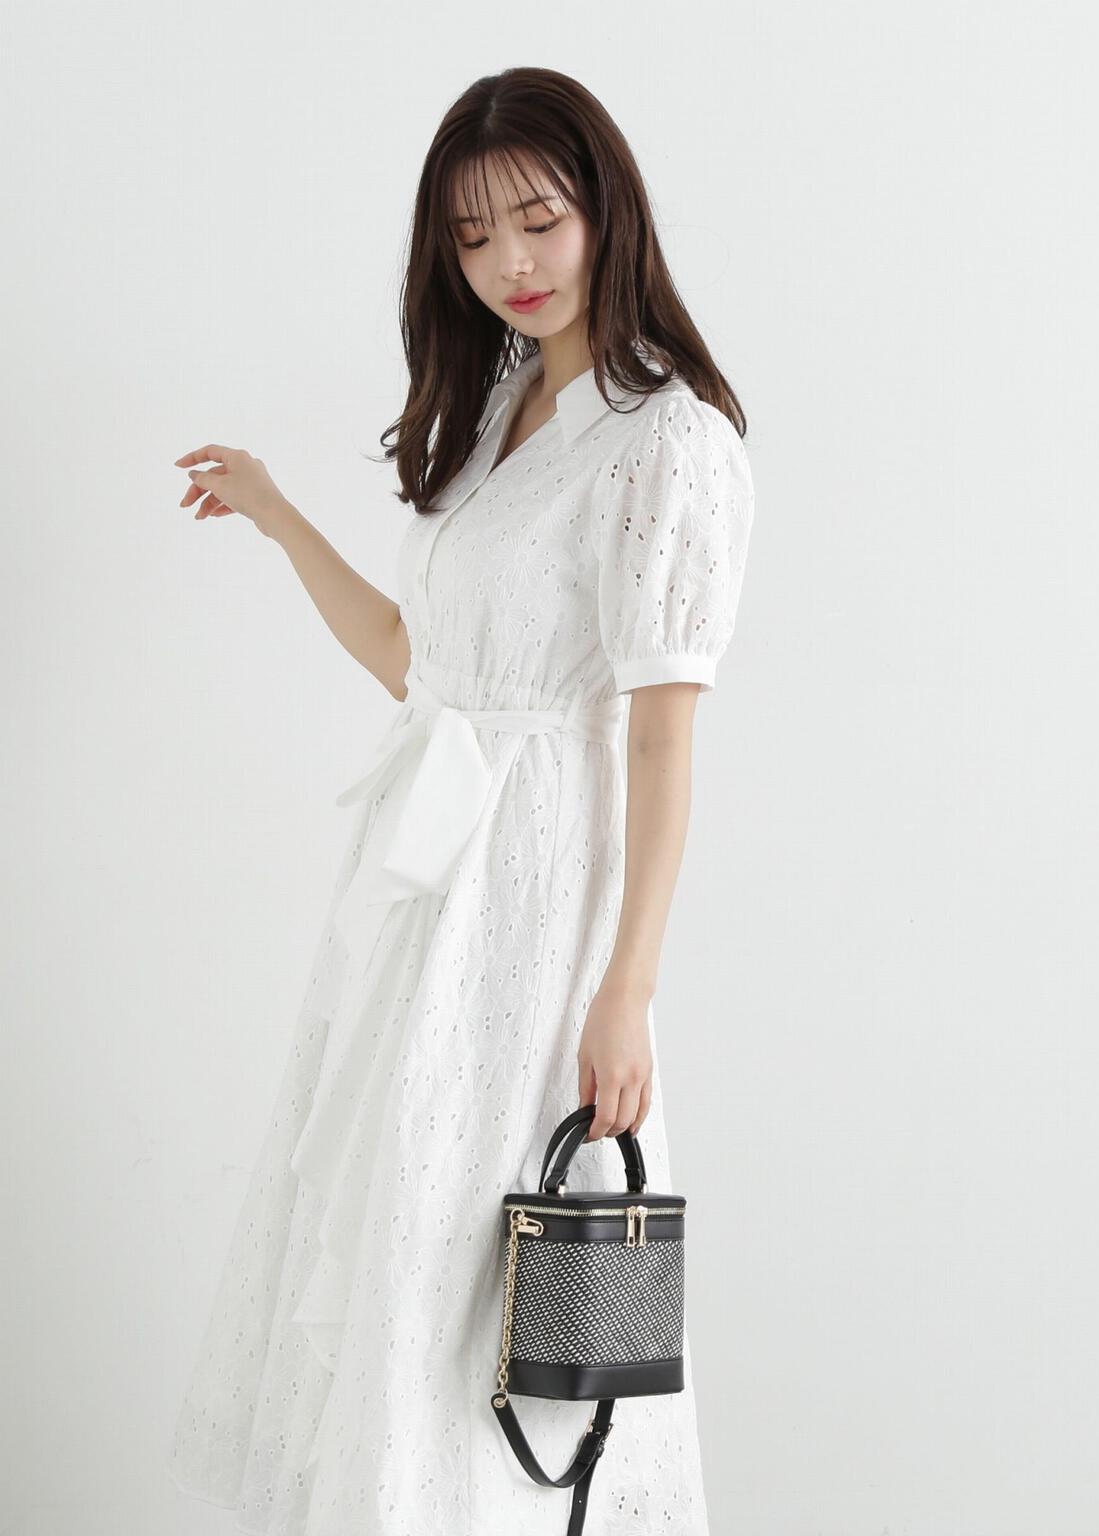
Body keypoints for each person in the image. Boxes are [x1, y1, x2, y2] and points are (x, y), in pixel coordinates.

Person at [167, 65, 755, 1536]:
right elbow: (416, 665)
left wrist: (627, 988)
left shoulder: (669, 439)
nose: (511, 264)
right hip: (427, 882)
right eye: (475, 236)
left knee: (497, 1256)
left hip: (542, 893)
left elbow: (663, 739)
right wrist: (277, 513)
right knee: (406, 1239)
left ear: (605, 208)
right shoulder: (501, 404)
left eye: (539, 220)